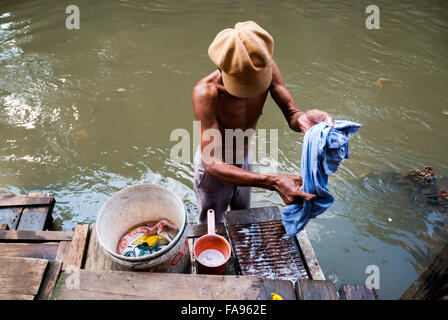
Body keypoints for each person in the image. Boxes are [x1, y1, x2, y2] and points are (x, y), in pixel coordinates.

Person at [193, 21, 333, 223]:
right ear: (220, 66)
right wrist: (273, 181)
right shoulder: (206, 92)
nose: (251, 88)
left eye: (254, 80)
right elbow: (213, 163)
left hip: (245, 155)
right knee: (212, 226)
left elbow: (292, 114)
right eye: (243, 81)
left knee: (243, 218)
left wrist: (304, 120)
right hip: (216, 166)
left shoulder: (265, 67)